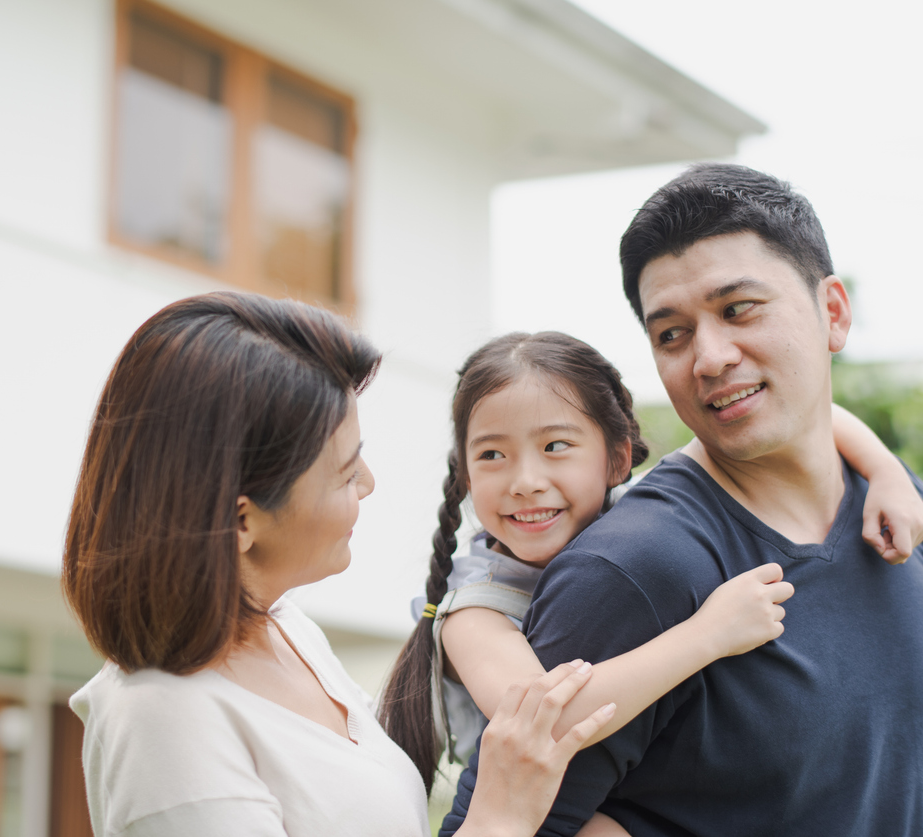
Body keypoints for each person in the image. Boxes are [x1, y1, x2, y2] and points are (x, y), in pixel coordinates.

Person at [441, 164, 923, 837]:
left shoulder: (897, 509)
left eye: (738, 309)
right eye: (672, 334)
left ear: (833, 313)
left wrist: (892, 473)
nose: (710, 357)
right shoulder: (636, 568)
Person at [62, 292, 616, 837]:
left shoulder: (288, 633)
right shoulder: (165, 725)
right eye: (345, 474)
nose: (370, 484)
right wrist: (500, 821)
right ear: (240, 521)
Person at [378, 333, 912, 837]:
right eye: (492, 455)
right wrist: (707, 636)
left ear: (615, 458)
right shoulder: (473, 611)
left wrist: (885, 471)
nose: (524, 481)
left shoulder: (643, 517)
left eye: (556, 446)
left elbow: (811, 417)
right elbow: (549, 717)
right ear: (465, 473)